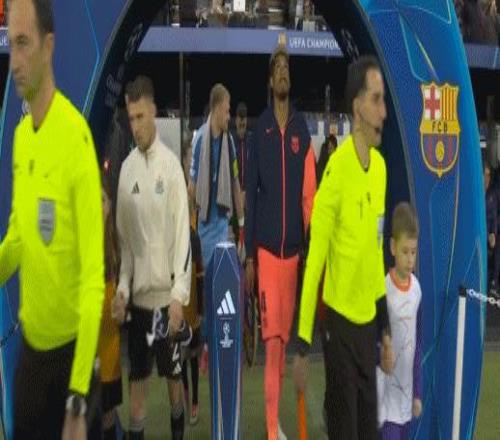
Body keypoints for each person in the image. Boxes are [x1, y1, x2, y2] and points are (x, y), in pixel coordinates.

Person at [0, 1, 104, 438]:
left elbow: (94, 279)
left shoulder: (76, 139)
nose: (14, 61)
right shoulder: (21, 139)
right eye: (11, 44)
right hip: (31, 357)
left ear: (48, 46)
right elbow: (19, 238)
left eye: (24, 43)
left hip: (71, 366)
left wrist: (78, 398)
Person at [293, 55, 395, 440]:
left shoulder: (381, 170)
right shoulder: (335, 171)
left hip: (368, 330)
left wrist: (385, 328)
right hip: (337, 330)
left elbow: (375, 253)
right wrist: (303, 346)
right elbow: (315, 261)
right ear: (357, 106)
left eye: (383, 100)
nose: (384, 112)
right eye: (376, 100)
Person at [245, 45, 317, 440]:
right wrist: (249, 255)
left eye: (287, 67)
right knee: (272, 343)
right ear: (270, 81)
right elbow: (251, 197)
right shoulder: (259, 129)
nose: (284, 73)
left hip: (294, 257)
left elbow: (309, 195)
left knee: (284, 343)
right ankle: (272, 430)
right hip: (268, 253)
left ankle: (274, 422)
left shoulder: (302, 129)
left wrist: (313, 242)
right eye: (278, 69)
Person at [114, 75, 192, 440]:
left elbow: (182, 240)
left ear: (154, 113)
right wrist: (122, 291)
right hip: (141, 309)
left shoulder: (171, 167)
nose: (136, 125)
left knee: (175, 386)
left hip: (167, 306)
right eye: (131, 118)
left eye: (141, 116)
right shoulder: (126, 171)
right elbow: (126, 248)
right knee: (137, 399)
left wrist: (179, 297)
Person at [188, 83, 245, 370]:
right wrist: (188, 227)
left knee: (221, 289)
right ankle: (206, 345)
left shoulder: (229, 142)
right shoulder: (199, 139)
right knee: (207, 292)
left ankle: (217, 344)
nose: (229, 115)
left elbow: (234, 183)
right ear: (216, 109)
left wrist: (241, 225)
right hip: (203, 228)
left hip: (222, 225)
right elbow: (192, 185)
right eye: (227, 109)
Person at [377, 202, 422, 439]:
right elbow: (375, 341)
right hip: (386, 405)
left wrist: (417, 394)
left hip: (407, 404)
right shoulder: (383, 290)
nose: (410, 259)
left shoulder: (417, 290)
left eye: (413, 252)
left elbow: (417, 345)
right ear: (393, 247)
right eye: (405, 252)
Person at [181, 139, 204, 425]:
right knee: (182, 353)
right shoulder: (179, 185)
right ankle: (186, 398)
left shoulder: (200, 186)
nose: (190, 162)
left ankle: (195, 399)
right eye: (188, 157)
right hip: (180, 280)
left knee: (194, 351)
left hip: (197, 252)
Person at [98, 175, 123, 440]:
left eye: (103, 200)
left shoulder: (116, 239)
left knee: (108, 411)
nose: (99, 205)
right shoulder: (84, 239)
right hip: (91, 337)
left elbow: (122, 284)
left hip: (110, 340)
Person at [484, 161, 497, 293]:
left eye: (488, 175)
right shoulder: (475, 194)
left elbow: (493, 218)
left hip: (488, 236)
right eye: (485, 175)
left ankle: (492, 284)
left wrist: (493, 233)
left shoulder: (491, 196)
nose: (486, 178)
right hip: (479, 234)